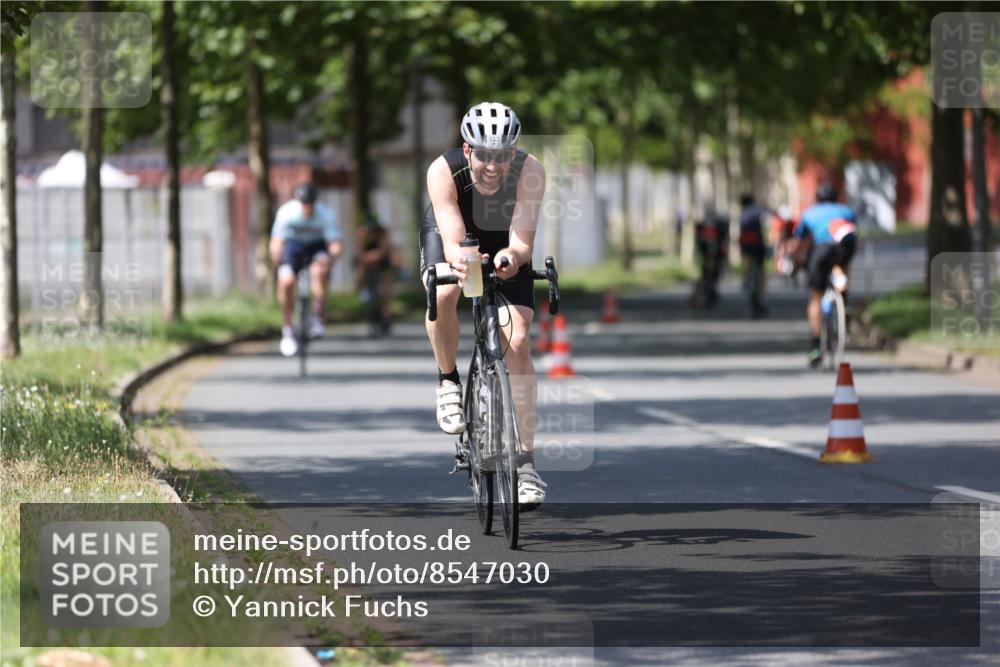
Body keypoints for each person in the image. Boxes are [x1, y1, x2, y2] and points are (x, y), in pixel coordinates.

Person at [419, 101, 548, 509]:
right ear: (468, 149)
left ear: (514, 151)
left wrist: (512, 257)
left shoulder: (531, 171)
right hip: (456, 236)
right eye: (485, 155)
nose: (494, 165)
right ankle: (448, 382)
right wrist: (463, 262)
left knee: (520, 338)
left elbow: (522, 241)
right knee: (444, 292)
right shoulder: (443, 170)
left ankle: (525, 465)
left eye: (503, 155)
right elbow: (456, 243)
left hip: (505, 240)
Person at [269, 183, 342, 357]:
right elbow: (277, 242)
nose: (306, 208)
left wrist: (330, 258)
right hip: (293, 247)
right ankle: (287, 327)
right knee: (286, 282)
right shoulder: (286, 213)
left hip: (316, 246)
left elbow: (335, 244)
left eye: (310, 204)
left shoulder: (326, 215)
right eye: (303, 204)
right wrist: (277, 258)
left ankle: (318, 315)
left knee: (320, 272)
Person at [789, 183, 858, 367]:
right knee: (841, 265)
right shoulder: (846, 211)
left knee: (815, 296)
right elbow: (853, 235)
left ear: (817, 199)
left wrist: (796, 264)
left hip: (822, 249)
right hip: (845, 247)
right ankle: (844, 297)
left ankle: (815, 345)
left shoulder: (809, 213)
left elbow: (801, 243)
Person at [355, 211, 400, 335]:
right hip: (367, 259)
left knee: (386, 286)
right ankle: (363, 289)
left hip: (382, 259)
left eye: (372, 229)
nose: (370, 231)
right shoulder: (361, 233)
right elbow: (360, 251)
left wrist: (378, 255)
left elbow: (384, 249)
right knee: (361, 267)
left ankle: (386, 314)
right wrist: (366, 258)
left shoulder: (383, 232)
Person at [738, 193, 770, 318]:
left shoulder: (743, 212)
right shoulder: (758, 209)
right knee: (761, 270)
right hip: (758, 243)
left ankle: (746, 277)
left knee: (748, 262)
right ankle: (763, 295)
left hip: (746, 243)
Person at [693, 207, 728, 309]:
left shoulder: (704, 226)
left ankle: (709, 288)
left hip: (711, 255)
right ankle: (707, 289)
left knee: (711, 271)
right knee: (709, 271)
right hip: (710, 255)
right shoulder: (717, 226)